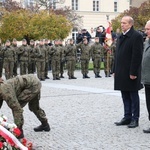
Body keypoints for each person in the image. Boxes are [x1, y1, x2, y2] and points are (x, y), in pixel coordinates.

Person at [113, 16, 143, 128]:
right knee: (124, 94)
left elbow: (137, 56)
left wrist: (133, 72)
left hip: (131, 72)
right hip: (121, 71)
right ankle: (127, 116)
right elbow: (117, 55)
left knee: (133, 95)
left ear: (130, 24)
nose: (122, 25)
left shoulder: (136, 36)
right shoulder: (121, 36)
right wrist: (114, 69)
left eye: (124, 23)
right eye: (121, 23)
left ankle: (135, 118)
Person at [0, 74, 50, 139]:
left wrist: (17, 129)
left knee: (16, 106)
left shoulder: (4, 90)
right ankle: (45, 124)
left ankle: (19, 131)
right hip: (33, 82)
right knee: (33, 106)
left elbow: (17, 109)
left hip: (33, 85)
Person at [141, 20, 150, 133]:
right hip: (147, 79)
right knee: (149, 103)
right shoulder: (147, 42)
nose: (146, 31)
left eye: (148, 29)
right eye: (146, 29)